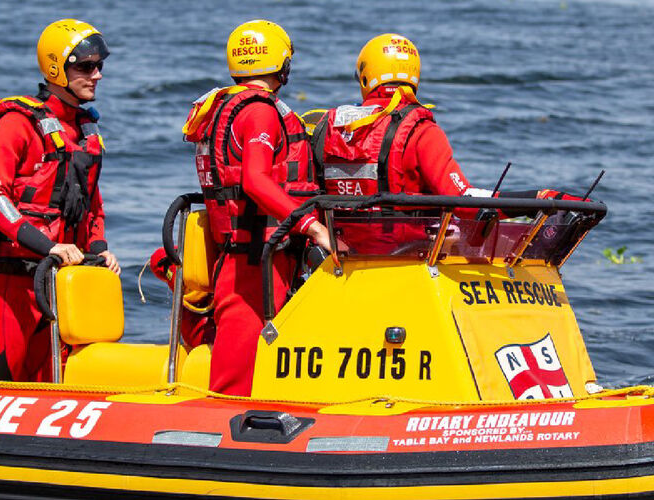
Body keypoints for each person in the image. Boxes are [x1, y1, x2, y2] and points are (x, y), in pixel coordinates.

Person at [181, 19, 333, 396]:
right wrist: (313, 227)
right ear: (281, 63)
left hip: (247, 256)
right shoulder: (260, 112)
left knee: (250, 369)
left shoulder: (225, 107)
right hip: (254, 263)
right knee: (235, 383)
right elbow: (255, 180)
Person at [0, 18, 120, 382]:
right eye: (86, 67)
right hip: (14, 284)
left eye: (99, 66)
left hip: (62, 284)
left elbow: (91, 204)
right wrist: (47, 246)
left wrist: (99, 247)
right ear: (57, 68)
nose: (97, 74)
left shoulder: (84, 131)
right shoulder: (16, 122)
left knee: (51, 385)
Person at [310, 33, 584, 202]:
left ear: (365, 77)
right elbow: (462, 200)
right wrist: (538, 198)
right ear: (415, 75)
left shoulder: (326, 125)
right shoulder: (420, 131)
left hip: (339, 255)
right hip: (403, 253)